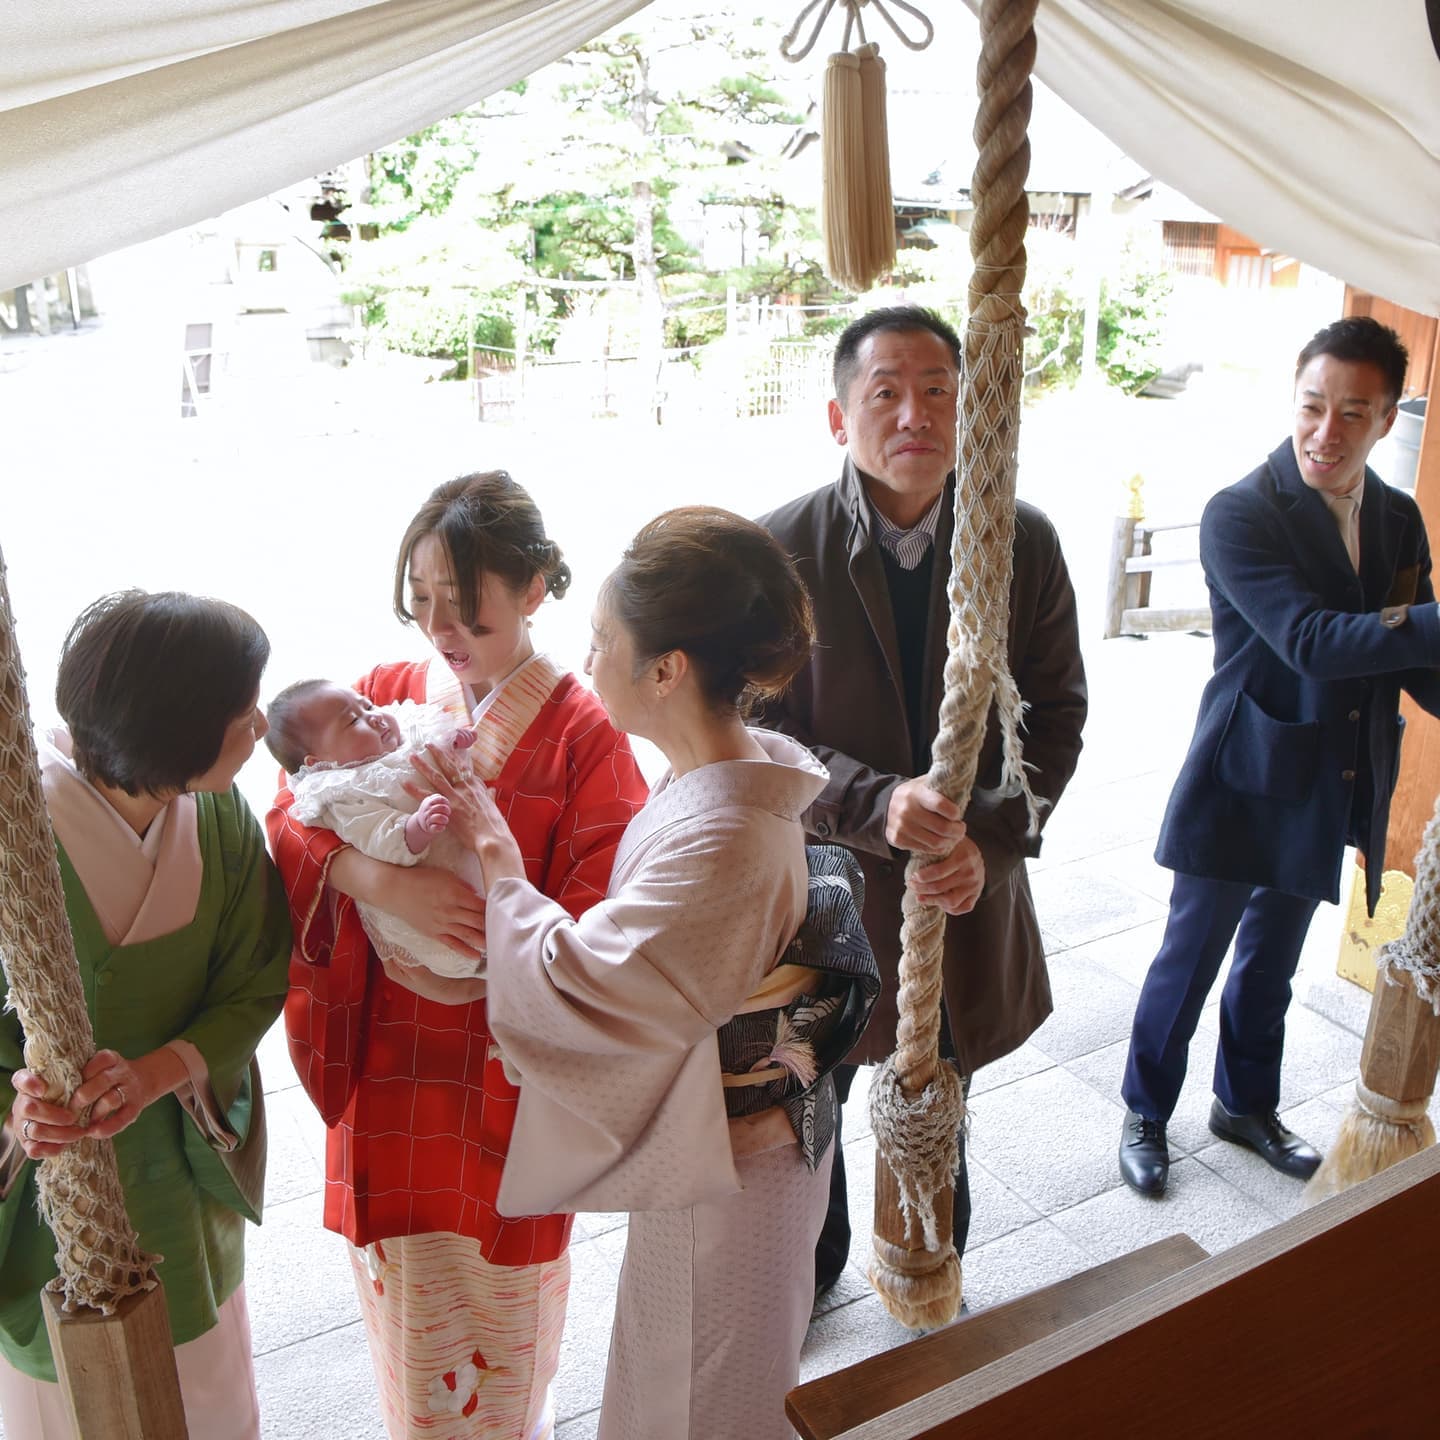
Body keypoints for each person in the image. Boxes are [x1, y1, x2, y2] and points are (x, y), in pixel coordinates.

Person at [409, 505, 875, 1440]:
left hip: (737, 1169)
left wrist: (500, 864)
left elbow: (583, 989)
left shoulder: (727, 836)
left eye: (603, 641)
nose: (588, 662)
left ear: (666, 670)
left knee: (698, 1404)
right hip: (729, 1151)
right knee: (676, 1379)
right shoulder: (742, 775)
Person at [267, 471, 648, 1440]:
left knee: (508, 1342)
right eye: (425, 603)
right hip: (392, 1076)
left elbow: (602, 929)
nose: (441, 632)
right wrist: (381, 882)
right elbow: (290, 808)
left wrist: (497, 898)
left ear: (534, 590)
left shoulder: (586, 737)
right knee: (408, 1340)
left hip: (501, 1084)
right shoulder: (386, 701)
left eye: (467, 611)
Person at [756, 304, 1088, 1296]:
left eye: (938, 391)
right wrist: (871, 802)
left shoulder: (1019, 541)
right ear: (837, 415)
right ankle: (808, 1283)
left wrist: (989, 842)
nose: (915, 416)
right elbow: (751, 735)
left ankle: (928, 1271)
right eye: (886, 393)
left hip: (956, 896)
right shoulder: (781, 550)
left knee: (935, 1102)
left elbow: (1055, 715)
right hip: (825, 900)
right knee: (806, 1112)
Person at [1119, 316, 1440, 1196]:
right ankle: (1146, 1112)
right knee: (1191, 958)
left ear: (1386, 420)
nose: (1326, 434)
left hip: (1330, 779)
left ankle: (1244, 1105)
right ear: (1294, 399)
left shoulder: (1399, 517)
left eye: (1352, 414)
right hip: (1242, 772)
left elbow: (1412, 653)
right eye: (1313, 406)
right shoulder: (1241, 512)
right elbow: (1309, 640)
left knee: (1272, 962)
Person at [0, 590, 291, 1440]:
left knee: (202, 1390)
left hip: (177, 1164)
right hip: (56, 1194)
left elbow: (256, 974)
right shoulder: (20, 835)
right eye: (241, 713)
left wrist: (158, 1073)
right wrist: (24, 1108)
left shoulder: (221, 816)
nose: (262, 724)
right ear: (176, 733)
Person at [265, 680, 484, 986]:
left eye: (367, 705)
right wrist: (408, 840)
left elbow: (435, 752)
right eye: (354, 720)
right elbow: (364, 831)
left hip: (492, 881)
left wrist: (453, 744)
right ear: (319, 764)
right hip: (422, 917)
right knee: (458, 949)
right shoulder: (341, 790)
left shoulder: (401, 731)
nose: (375, 715)